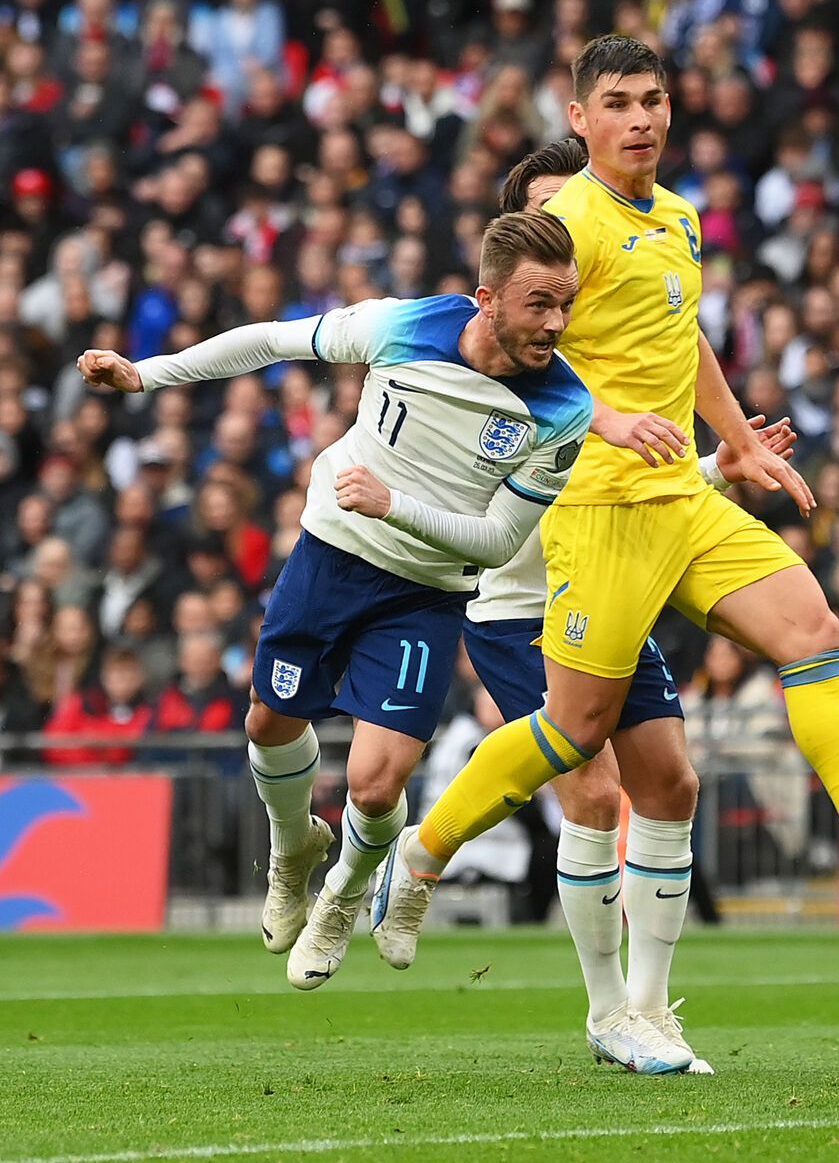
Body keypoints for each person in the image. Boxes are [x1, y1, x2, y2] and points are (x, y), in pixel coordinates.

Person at [386, 39, 839, 980]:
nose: (642, 119)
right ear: (578, 119)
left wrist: (736, 439)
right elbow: (504, 340)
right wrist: (601, 417)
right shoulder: (563, 227)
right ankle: (421, 855)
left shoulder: (677, 219)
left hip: (679, 498)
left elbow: (680, 334)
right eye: (617, 102)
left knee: (812, 625)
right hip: (600, 506)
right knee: (576, 740)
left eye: (654, 101)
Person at [75, 211, 605, 995]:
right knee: (267, 721)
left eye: (566, 304)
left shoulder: (566, 407)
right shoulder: (405, 325)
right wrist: (147, 374)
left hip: (427, 591)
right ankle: (293, 849)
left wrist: (394, 505)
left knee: (376, 783)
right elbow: (268, 340)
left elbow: (496, 543)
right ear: (487, 298)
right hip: (331, 556)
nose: (556, 323)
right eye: (539, 304)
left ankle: (343, 894)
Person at [451, 137, 801, 1075]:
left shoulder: (601, 349)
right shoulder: (496, 369)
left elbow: (625, 478)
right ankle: (608, 1010)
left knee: (674, 786)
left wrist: (710, 464)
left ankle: (649, 1009)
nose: (578, 254)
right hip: (520, 606)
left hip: (609, 585)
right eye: (556, 228)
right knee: (595, 791)